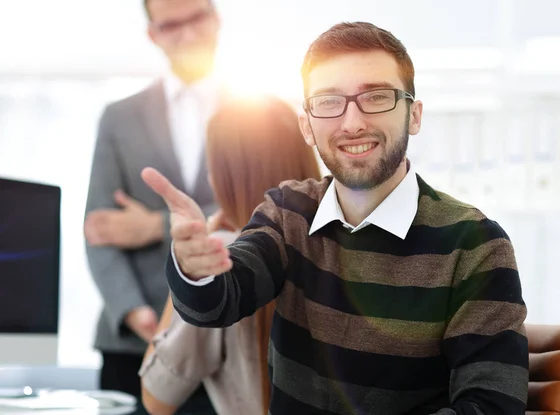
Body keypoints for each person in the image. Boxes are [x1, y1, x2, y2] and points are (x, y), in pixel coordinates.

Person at [142, 22, 529, 415]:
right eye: (328, 102)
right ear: (307, 126)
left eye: (376, 97)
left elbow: (492, 406)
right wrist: (194, 268)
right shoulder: (286, 212)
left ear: (414, 115)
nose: (352, 122)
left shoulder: (476, 245)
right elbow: (219, 302)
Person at [138, 96, 322, 415]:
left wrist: (187, 271)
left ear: (228, 175)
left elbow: (157, 396)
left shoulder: (222, 256)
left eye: (213, 168)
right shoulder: (335, 243)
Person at [84, 0, 221, 411]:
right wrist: (134, 313)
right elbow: (99, 230)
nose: (189, 33)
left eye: (197, 18)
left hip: (226, 332)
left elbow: (265, 213)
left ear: (216, 18)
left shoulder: (264, 114)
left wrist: (155, 226)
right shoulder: (118, 118)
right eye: (172, 24)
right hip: (134, 341)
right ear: (153, 35)